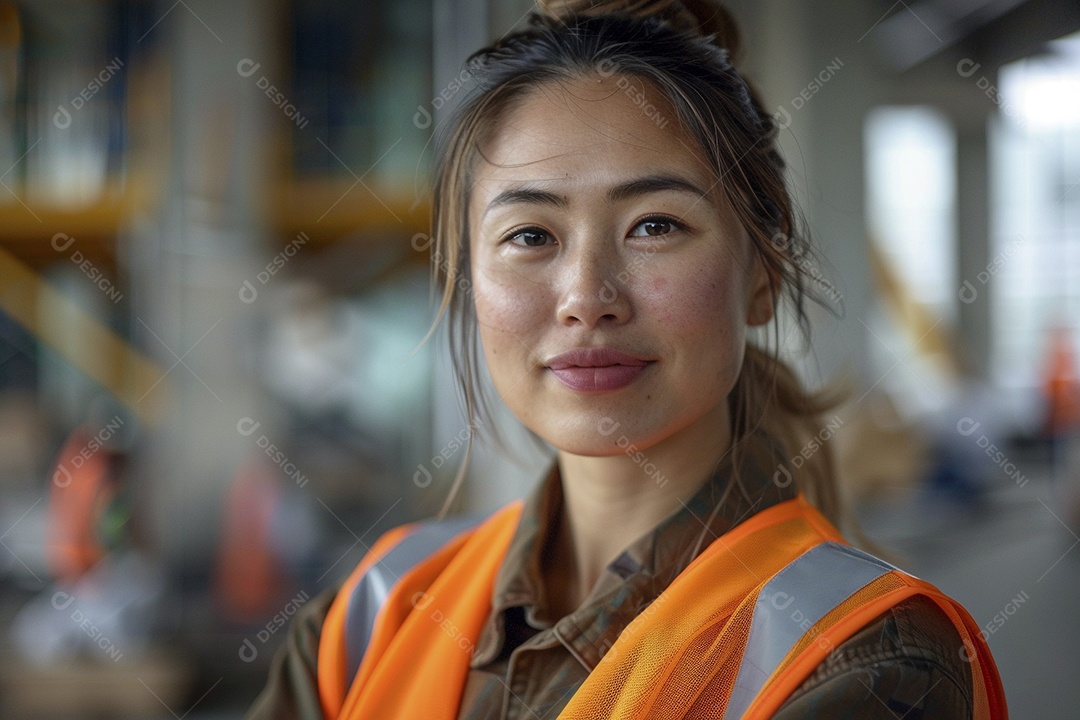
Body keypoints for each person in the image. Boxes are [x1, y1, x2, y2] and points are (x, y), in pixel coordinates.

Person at [245, 1, 1006, 717]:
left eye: (654, 226)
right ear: (466, 277)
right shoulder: (375, 611)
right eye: (531, 236)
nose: (587, 297)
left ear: (762, 276)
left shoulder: (866, 661)